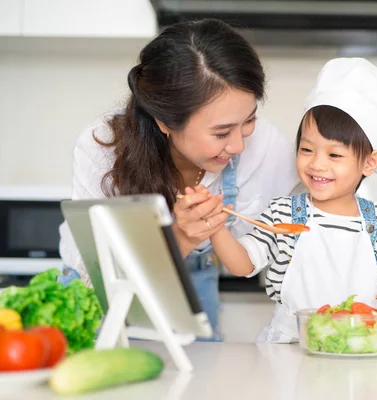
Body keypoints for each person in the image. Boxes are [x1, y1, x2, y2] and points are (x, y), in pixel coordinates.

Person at [58, 19, 302, 341]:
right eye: (221, 133)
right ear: (165, 122)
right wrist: (180, 237)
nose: (239, 145)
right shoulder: (103, 145)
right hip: (102, 299)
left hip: (193, 303)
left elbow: (325, 205)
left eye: (249, 119)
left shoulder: (267, 147)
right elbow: (97, 274)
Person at [205, 58, 377, 343]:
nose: (317, 165)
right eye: (307, 149)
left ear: (369, 163)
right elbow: (242, 265)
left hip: (359, 349)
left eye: (334, 155)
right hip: (290, 352)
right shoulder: (283, 213)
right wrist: (215, 227)